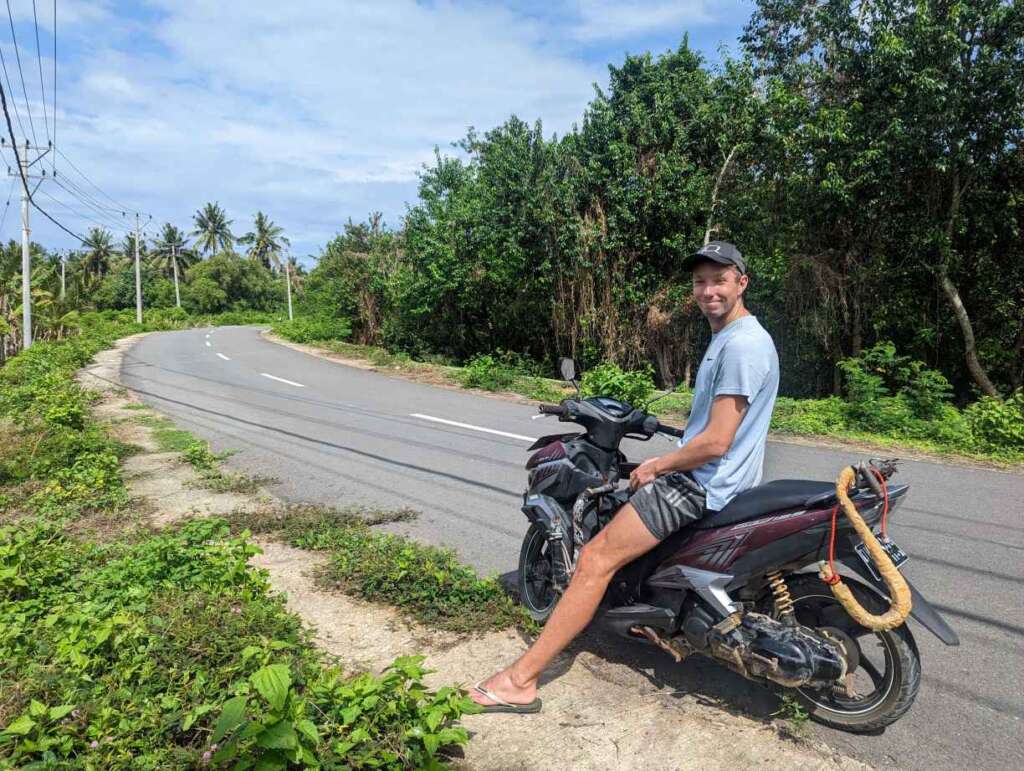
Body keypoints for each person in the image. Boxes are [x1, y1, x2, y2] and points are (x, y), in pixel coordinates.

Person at [470, 240, 780, 713]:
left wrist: (660, 464)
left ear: (742, 282)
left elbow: (717, 441)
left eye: (719, 280)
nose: (708, 290)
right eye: (700, 281)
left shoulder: (741, 345)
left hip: (701, 484)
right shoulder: (734, 339)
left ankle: (520, 681)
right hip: (720, 481)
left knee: (594, 560)